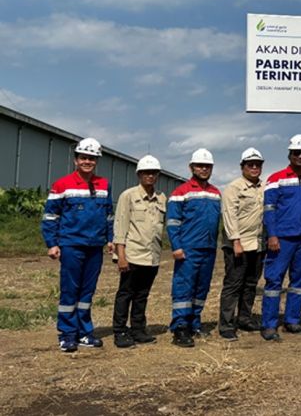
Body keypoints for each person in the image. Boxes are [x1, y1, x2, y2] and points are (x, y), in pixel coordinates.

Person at [41, 137, 114, 353]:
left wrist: (110, 238)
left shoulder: (104, 185)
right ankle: (67, 334)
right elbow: (50, 216)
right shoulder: (62, 184)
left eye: (92, 158)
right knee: (70, 291)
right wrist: (52, 243)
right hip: (71, 244)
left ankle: (84, 333)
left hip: (95, 246)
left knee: (87, 292)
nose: (87, 161)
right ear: (76, 160)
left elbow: (108, 215)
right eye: (84, 157)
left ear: (96, 161)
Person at [260, 134, 301, 341]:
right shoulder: (275, 179)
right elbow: (269, 209)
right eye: (296, 152)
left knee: (299, 282)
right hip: (282, 238)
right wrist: (272, 235)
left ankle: (292, 320)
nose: (300, 156)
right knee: (274, 280)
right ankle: (269, 324)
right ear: (290, 154)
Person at [166, 148, 221, 347]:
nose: (204, 169)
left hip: (208, 248)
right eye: (200, 165)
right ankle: (180, 328)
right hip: (188, 249)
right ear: (192, 167)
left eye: (207, 166)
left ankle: (194, 323)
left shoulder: (215, 193)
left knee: (201, 288)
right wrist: (176, 246)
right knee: (183, 288)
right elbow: (172, 222)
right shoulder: (180, 192)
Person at [112, 155, 166, 348]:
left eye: (153, 173)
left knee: (142, 294)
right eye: (146, 172)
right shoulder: (128, 196)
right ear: (139, 174)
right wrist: (121, 256)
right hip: (132, 254)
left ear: (157, 175)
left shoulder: (161, 198)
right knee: (125, 293)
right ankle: (119, 331)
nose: (149, 176)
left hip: (151, 256)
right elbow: (120, 227)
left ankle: (138, 329)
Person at [218, 147, 266, 341]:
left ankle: (244, 319)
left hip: (257, 244)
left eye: (258, 165)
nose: (254, 168)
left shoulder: (264, 187)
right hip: (238, 245)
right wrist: (235, 241)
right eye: (250, 164)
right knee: (233, 285)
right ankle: (227, 324)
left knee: (251, 284)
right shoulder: (234, 188)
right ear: (242, 166)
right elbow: (229, 215)